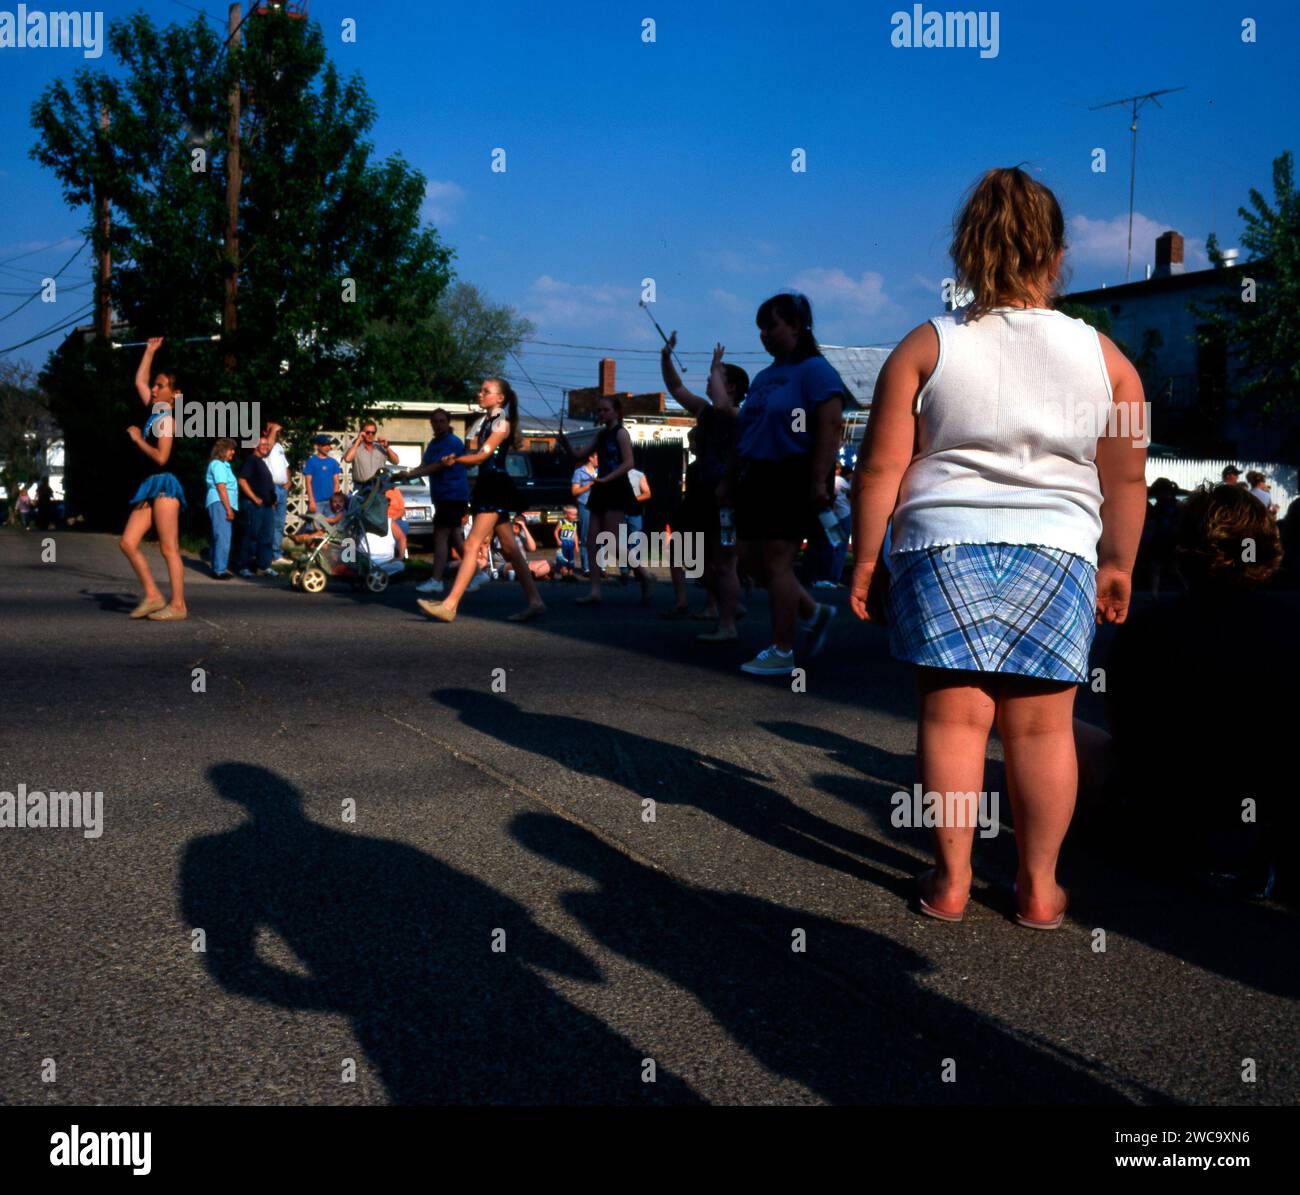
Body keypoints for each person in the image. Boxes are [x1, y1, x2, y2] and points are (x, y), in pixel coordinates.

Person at [849, 166, 1148, 929]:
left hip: (942, 543)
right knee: (1044, 729)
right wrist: (1118, 563)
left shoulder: (927, 344)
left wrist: (863, 559)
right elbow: (1125, 481)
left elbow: (883, 465)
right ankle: (1039, 887)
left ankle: (950, 880)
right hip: (1057, 549)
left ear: (965, 251)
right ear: (1058, 254)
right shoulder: (1109, 362)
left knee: (953, 722)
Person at [1078, 484, 1295, 896]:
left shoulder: (1149, 626)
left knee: (1057, 730)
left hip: (1159, 817)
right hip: (1262, 826)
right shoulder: (1288, 626)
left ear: (1185, 551)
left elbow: (1124, 724)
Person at [732, 292, 843, 674]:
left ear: (796, 325)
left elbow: (830, 427)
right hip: (755, 476)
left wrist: (819, 481)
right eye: (760, 328)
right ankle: (813, 610)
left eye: (771, 326)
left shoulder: (815, 371)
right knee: (748, 560)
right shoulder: (764, 377)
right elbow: (746, 429)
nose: (764, 335)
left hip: (791, 472)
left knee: (778, 560)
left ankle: (782, 651)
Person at [416, 379, 546, 623]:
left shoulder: (501, 422)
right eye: (481, 390)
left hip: (494, 486)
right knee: (509, 548)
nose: (480, 393)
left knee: (473, 542)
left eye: (486, 391)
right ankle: (536, 601)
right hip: (488, 485)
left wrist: (456, 459)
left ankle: (450, 604)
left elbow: (481, 456)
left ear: (500, 398)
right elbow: (475, 454)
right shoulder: (486, 421)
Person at [658, 337, 747, 639]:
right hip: (700, 492)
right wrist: (665, 357)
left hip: (724, 495)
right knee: (697, 556)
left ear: (731, 387)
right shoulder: (705, 411)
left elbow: (722, 404)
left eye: (715, 379)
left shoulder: (736, 413)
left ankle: (728, 624)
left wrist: (715, 365)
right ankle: (725, 608)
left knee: (723, 563)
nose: (708, 382)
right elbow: (676, 388)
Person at [119, 336, 188, 620]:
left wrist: (137, 440)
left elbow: (162, 457)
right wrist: (149, 351)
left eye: (161, 386)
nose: (155, 388)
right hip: (150, 486)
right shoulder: (154, 411)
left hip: (165, 483)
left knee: (168, 547)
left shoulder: (168, 419)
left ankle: (178, 605)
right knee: (127, 542)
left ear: (173, 394)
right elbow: (139, 382)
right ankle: (152, 595)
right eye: (156, 385)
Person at [576, 396, 655, 605]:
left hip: (616, 487)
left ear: (617, 412)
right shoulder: (601, 435)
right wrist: (566, 444)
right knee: (591, 541)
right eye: (599, 410)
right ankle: (595, 591)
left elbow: (629, 463)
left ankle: (644, 575)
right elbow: (580, 454)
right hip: (602, 488)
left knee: (611, 542)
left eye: (605, 410)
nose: (601, 414)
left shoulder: (621, 433)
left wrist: (606, 478)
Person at [394, 409, 470, 597]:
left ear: (448, 422)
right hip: (442, 496)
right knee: (455, 537)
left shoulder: (453, 442)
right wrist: (404, 474)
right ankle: (476, 572)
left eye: (442, 421)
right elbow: (424, 465)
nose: (438, 424)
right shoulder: (434, 443)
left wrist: (412, 474)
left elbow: (438, 466)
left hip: (453, 495)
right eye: (435, 421)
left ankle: (436, 580)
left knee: (440, 536)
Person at [236, 436, 279, 578]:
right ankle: (244, 566)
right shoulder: (252, 460)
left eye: (267, 444)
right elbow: (242, 480)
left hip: (267, 506)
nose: (266, 446)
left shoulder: (261, 462)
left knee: (267, 537)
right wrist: (254, 498)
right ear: (255, 446)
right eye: (263, 444)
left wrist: (272, 501)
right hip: (254, 505)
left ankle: (264, 566)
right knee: (251, 535)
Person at [204, 438, 239, 578]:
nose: (233, 452)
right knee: (223, 536)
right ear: (223, 450)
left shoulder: (223, 465)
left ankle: (217, 567)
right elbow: (221, 487)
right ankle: (220, 570)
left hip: (219, 502)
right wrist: (228, 508)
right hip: (220, 502)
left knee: (217, 535)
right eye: (231, 449)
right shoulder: (218, 465)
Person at [263, 422, 293, 567]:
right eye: (274, 430)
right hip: (271, 487)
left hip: (281, 488)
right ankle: (268, 554)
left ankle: (276, 554)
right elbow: (267, 448)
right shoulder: (263, 445)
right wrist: (273, 429)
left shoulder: (280, 447)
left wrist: (288, 481)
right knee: (270, 522)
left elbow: (285, 465)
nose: (277, 432)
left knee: (279, 523)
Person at [344, 420, 399, 490]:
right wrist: (358, 440)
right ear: (362, 432)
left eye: (373, 433)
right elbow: (347, 459)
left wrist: (387, 447)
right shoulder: (355, 447)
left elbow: (396, 461)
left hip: (378, 487)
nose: (370, 435)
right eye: (368, 432)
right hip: (361, 487)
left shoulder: (380, 447)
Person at [570, 451, 599, 573]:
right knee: (586, 536)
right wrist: (589, 485)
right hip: (586, 505)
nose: (600, 460)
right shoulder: (579, 472)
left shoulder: (601, 471)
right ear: (590, 458)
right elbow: (574, 491)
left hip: (599, 506)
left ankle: (600, 567)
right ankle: (586, 567)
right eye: (598, 457)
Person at [302, 436, 342, 516]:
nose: (327, 447)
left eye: (328, 445)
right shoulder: (311, 461)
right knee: (315, 526)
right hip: (317, 502)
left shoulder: (333, 462)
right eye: (324, 445)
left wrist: (335, 501)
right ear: (318, 446)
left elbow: (336, 483)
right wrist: (311, 501)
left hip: (330, 502)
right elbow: (308, 483)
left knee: (330, 526)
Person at [555, 505, 580, 578]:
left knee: (571, 558)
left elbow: (575, 535)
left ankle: (571, 572)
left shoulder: (574, 524)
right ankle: (564, 572)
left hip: (571, 543)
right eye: (573, 514)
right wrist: (558, 540)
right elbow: (556, 531)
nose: (575, 516)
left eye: (576, 514)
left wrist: (577, 545)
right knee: (563, 557)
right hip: (564, 542)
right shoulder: (562, 522)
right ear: (566, 514)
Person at [386, 483, 408, 560]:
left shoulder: (395, 490)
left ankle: (399, 554)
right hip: (383, 519)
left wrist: (393, 519)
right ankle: (390, 553)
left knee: (403, 525)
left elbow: (402, 510)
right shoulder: (376, 491)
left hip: (395, 518)